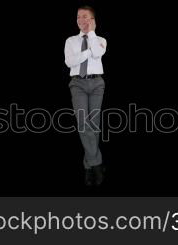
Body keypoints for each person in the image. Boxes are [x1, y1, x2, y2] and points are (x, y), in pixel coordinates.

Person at [64, 6, 107, 186]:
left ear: (92, 20)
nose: (81, 20)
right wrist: (88, 52)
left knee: (94, 125)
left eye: (85, 17)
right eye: (78, 17)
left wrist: (92, 34)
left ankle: (88, 166)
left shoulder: (101, 39)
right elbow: (70, 62)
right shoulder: (70, 40)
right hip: (78, 84)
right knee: (83, 122)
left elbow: (98, 52)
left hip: (97, 83)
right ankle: (97, 164)